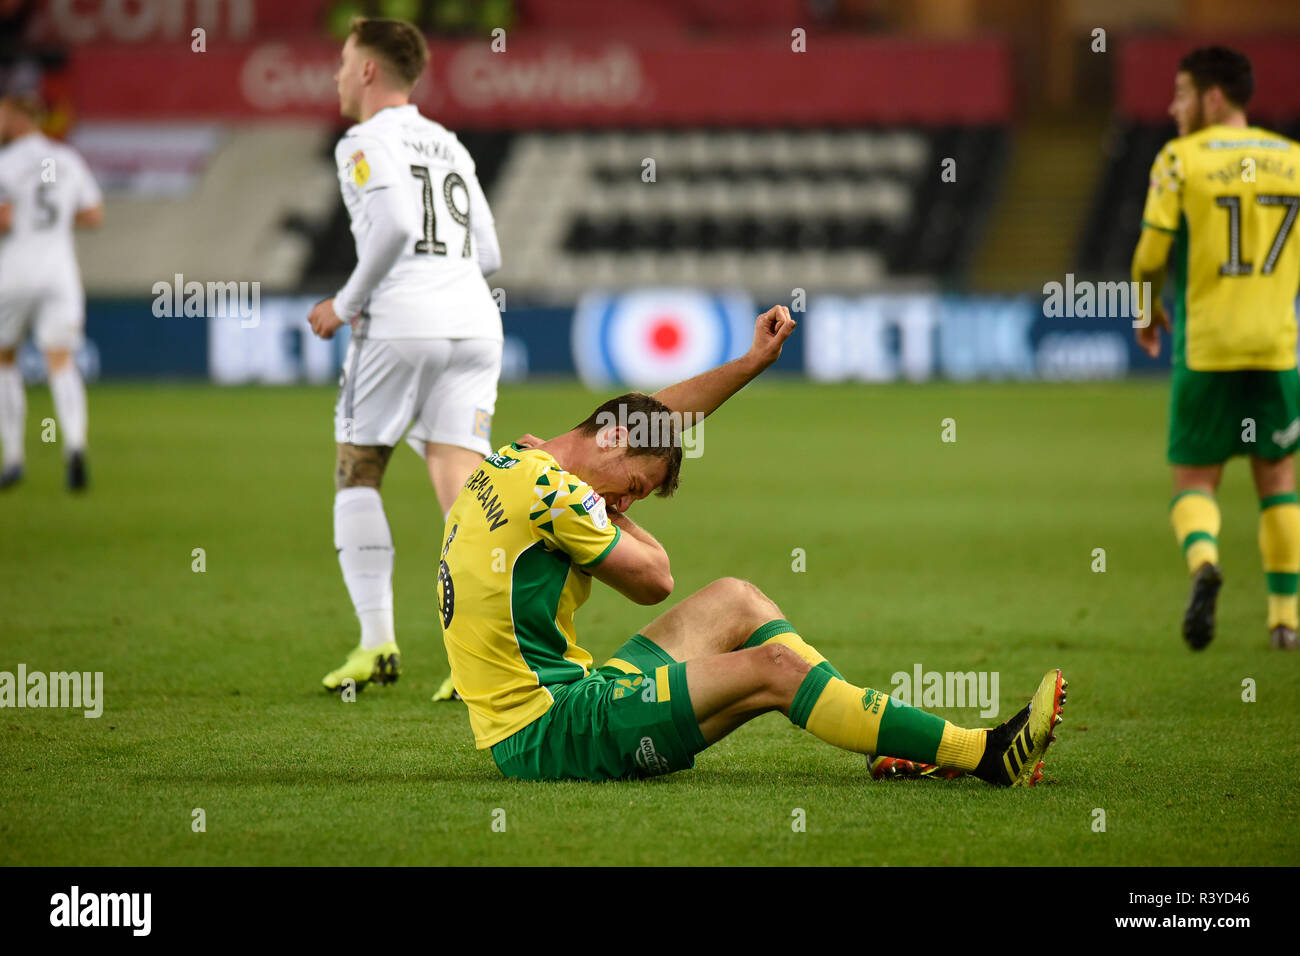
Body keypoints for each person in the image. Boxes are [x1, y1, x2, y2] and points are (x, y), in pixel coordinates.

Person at [438, 305, 1067, 783]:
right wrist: (614, 514)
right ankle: (983, 755)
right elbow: (655, 579)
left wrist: (749, 364)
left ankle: (892, 739)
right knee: (775, 670)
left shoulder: (523, 460)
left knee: (737, 600)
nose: (624, 503)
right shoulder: (563, 495)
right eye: (632, 486)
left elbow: (647, 417)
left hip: (552, 704)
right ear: (608, 442)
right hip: (551, 730)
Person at [308, 18, 504, 692]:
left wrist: (346, 301)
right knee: (469, 496)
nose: (336, 75)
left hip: (401, 319)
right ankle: (478, 663)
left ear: (367, 70)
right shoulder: (447, 143)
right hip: (475, 321)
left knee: (358, 472)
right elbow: (492, 252)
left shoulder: (363, 141)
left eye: (342, 62)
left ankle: (376, 644)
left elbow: (393, 224)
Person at [1131, 46, 1300, 651]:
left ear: (1214, 97)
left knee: (1195, 483)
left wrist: (1146, 309)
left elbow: (1151, 257)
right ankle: (1285, 621)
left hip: (1207, 349)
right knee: (1279, 480)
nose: (1172, 108)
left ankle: (1204, 564)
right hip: (1277, 349)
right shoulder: (1293, 160)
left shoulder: (1180, 160)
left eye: (1181, 93)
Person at [0, 89, 103, 491]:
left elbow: (4, 220)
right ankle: (75, 446)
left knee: (5, 360)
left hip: (13, 274)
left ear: (18, 119)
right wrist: (54, 225)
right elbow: (93, 215)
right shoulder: (67, 159)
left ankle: (13, 458)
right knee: (61, 360)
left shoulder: (5, 163)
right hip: (60, 273)